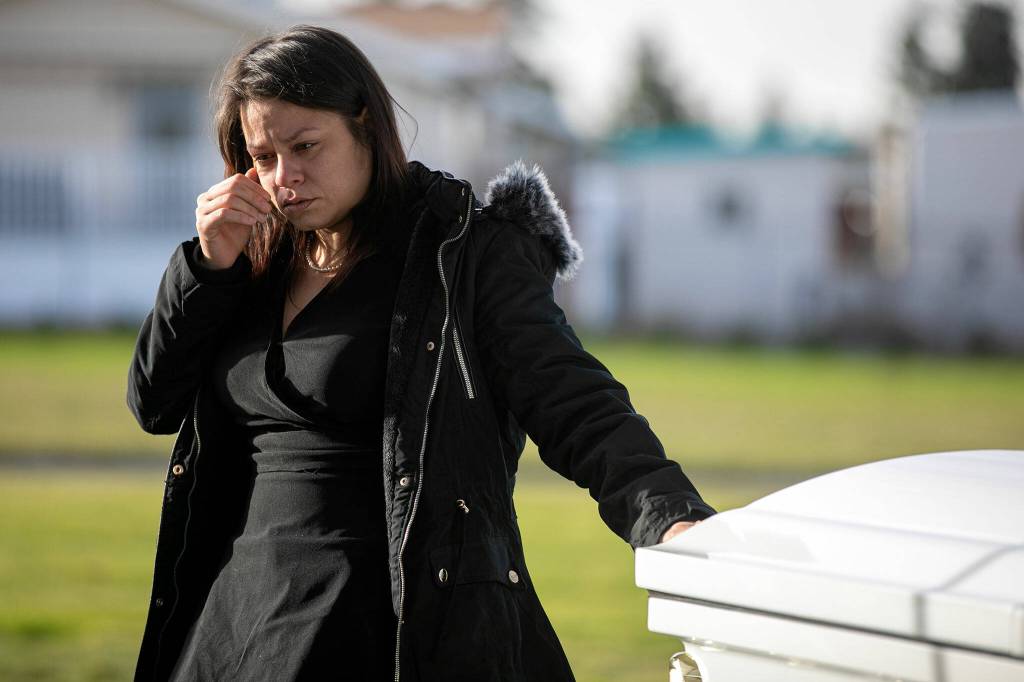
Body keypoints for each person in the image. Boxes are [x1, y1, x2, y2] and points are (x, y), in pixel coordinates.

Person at [127, 24, 716, 682]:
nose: (283, 177)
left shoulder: (462, 251)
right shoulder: (249, 260)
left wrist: (670, 517)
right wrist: (206, 266)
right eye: (262, 157)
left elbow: (572, 400)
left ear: (364, 125)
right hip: (233, 623)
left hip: (384, 619)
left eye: (305, 146)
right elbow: (154, 402)